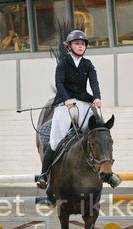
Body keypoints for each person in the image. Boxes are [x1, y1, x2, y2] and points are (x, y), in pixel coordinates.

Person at [36, 30, 121, 189]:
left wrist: (97, 97)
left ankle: (108, 175)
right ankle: (44, 175)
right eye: (77, 44)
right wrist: (66, 98)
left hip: (83, 103)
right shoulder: (63, 64)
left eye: (82, 44)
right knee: (54, 143)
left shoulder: (88, 64)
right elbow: (59, 83)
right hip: (65, 104)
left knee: (96, 136)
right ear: (69, 46)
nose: (80, 46)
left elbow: (94, 82)